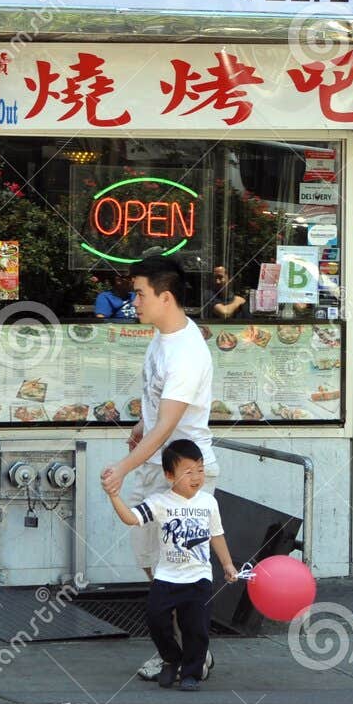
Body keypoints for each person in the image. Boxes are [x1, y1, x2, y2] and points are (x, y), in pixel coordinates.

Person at [101, 255, 222, 680]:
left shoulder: (187, 353)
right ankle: (177, 649)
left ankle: (190, 655)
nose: (133, 300)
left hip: (182, 473)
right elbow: (158, 411)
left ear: (165, 297)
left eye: (140, 293)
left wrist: (122, 468)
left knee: (180, 571)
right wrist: (140, 426)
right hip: (156, 465)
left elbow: (168, 426)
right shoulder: (162, 337)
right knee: (156, 564)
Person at [106, 438, 237, 690]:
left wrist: (228, 565)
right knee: (156, 620)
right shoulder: (160, 502)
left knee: (196, 628)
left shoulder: (208, 502)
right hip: (166, 577)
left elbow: (217, 535)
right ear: (169, 475)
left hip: (199, 578)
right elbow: (131, 518)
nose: (196, 477)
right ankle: (171, 659)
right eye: (188, 472)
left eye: (200, 470)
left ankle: (191, 673)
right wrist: (114, 496)